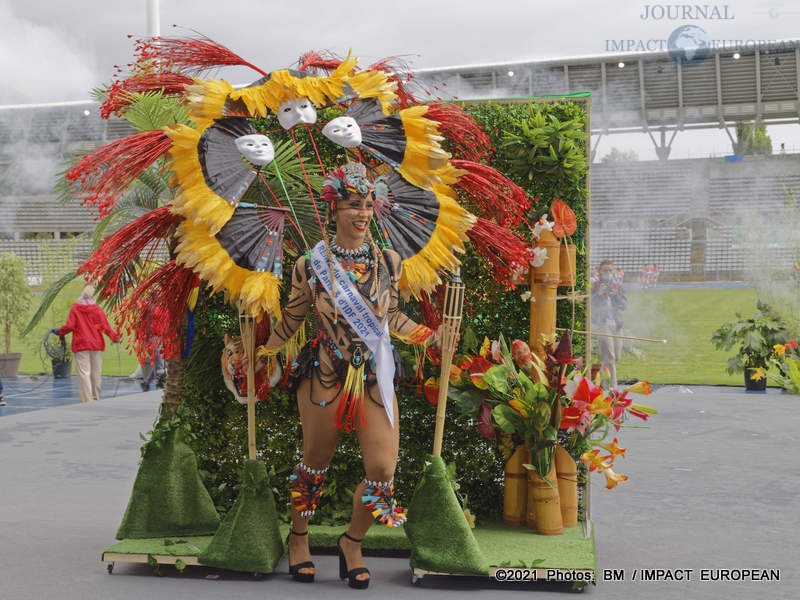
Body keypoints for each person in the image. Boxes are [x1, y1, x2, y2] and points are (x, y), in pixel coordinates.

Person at [258, 162, 439, 589]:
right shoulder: (310, 264)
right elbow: (293, 317)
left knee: (382, 468)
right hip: (325, 374)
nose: (362, 213)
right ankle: (298, 538)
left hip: (375, 376)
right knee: (315, 464)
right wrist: (259, 349)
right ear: (334, 208)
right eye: (354, 205)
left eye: (368, 204)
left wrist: (431, 336)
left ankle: (351, 541)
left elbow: (392, 316)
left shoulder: (388, 261)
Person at [53, 284, 119, 403]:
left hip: (81, 344)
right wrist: (114, 337)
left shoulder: (75, 308)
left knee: (84, 373)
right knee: (96, 373)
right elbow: (105, 326)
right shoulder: (97, 309)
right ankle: (96, 397)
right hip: (96, 344)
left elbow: (70, 326)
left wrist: (59, 331)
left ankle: (87, 400)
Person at [591, 259, 627, 390]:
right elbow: (590, 304)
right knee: (610, 357)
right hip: (602, 324)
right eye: (605, 270)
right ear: (600, 271)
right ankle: (613, 388)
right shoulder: (594, 286)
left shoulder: (618, 286)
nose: (608, 273)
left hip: (617, 325)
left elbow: (624, 306)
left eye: (610, 270)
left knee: (615, 357)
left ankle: (600, 380)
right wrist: (599, 295)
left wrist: (615, 296)